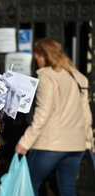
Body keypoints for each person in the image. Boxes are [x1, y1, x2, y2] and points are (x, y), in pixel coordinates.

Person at [15, 38, 94, 196]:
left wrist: (25, 142)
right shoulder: (78, 77)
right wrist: (89, 141)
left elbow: (43, 113)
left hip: (50, 145)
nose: (35, 59)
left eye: (36, 55)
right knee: (68, 190)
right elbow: (86, 115)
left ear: (44, 55)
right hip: (75, 145)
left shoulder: (47, 77)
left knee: (28, 187)